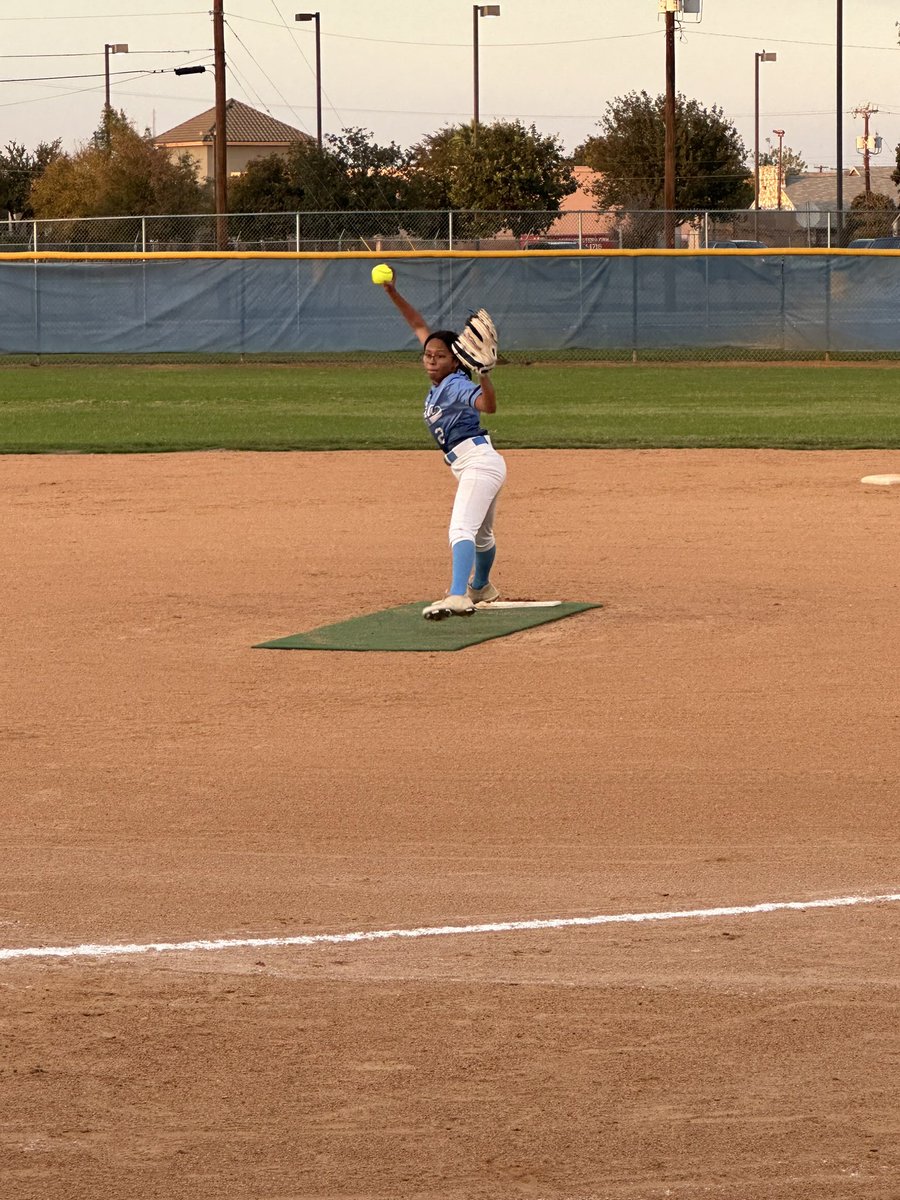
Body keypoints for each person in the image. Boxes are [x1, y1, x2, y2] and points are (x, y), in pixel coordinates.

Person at [380, 271, 507, 620]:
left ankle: (457, 595)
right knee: (481, 536)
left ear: (455, 362)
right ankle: (481, 587)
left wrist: (484, 373)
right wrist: (394, 293)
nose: (431, 360)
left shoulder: (454, 384)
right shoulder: (441, 376)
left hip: (479, 462)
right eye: (428, 356)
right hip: (478, 463)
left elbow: (488, 406)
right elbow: (419, 325)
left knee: (460, 529)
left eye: (439, 356)